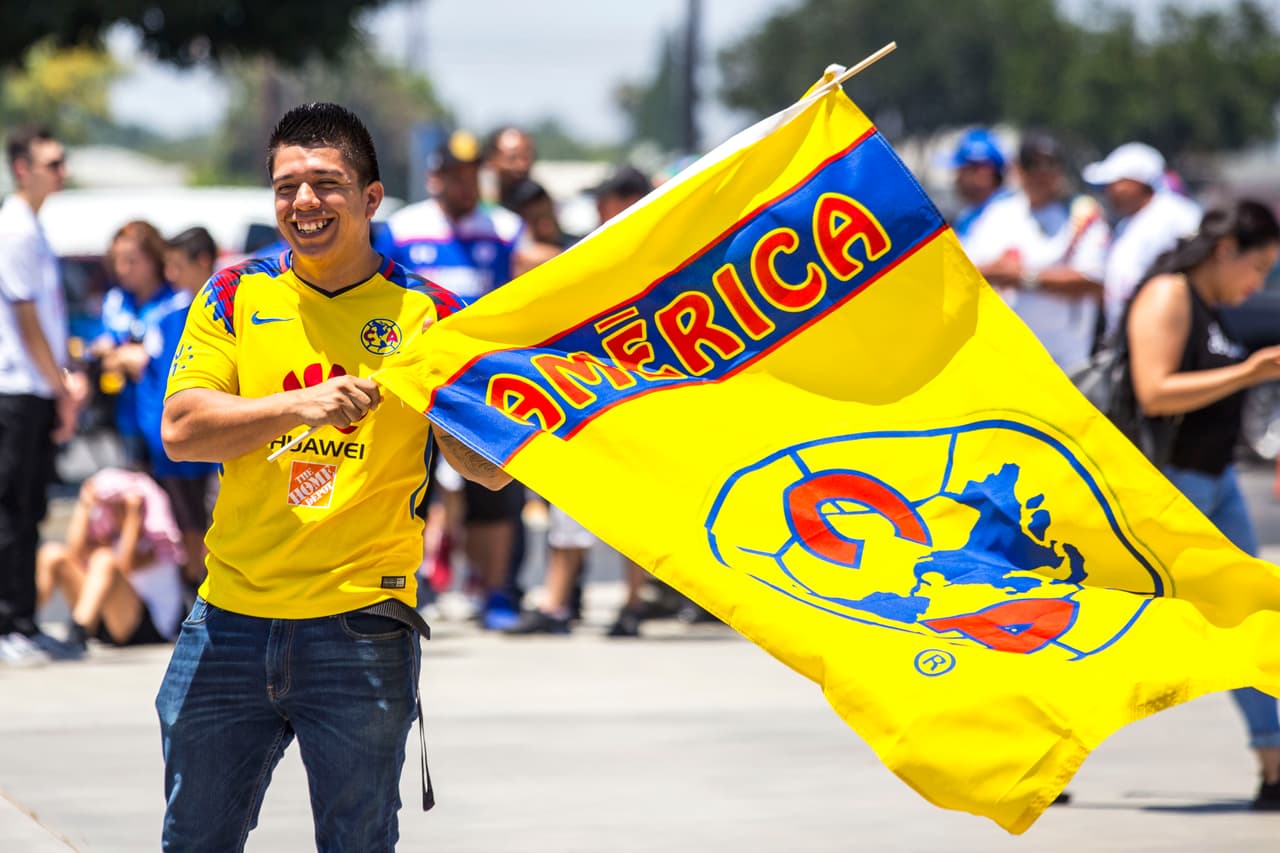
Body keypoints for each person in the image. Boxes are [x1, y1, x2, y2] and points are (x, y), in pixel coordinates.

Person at [155, 102, 510, 850]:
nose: (303, 202)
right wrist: (299, 405)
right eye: (287, 186)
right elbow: (183, 430)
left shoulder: (431, 316)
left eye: (326, 183)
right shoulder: (232, 294)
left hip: (362, 630)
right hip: (228, 621)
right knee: (192, 840)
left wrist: (452, 405)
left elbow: (488, 472)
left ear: (372, 198)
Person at [1126, 199, 1280, 810]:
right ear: (1225, 251)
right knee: (1120, 632)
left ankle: (1274, 763)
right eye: (1259, 267)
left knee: (1249, 619)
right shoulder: (1169, 294)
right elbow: (1155, 390)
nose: (1260, 283)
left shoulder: (1214, 306)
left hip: (1213, 487)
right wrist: (1250, 371)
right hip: (1171, 489)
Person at [389, 129, 549, 630]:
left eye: (470, 175)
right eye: (453, 175)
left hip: (482, 384)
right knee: (407, 488)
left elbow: (535, 276)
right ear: (434, 177)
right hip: (414, 382)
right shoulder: (403, 226)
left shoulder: (503, 226)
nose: (463, 185)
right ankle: (406, 588)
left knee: (494, 492)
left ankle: (496, 594)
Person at [0, 126, 87, 664]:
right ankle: (7, 623)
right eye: (52, 163)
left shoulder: (34, 229)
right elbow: (25, 315)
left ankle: (25, 622)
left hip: (35, 388)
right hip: (16, 388)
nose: (62, 172)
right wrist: (61, 387)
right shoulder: (15, 230)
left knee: (30, 508)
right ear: (22, 169)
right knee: (9, 511)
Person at [964, 132, 1109, 372]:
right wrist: (996, 270)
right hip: (1007, 358)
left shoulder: (1082, 214)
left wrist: (1025, 277)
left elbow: (1093, 279)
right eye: (1033, 164)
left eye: (1050, 164)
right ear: (1018, 169)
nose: (1042, 173)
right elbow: (967, 268)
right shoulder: (999, 212)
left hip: (1067, 362)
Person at [36, 467, 185, 650]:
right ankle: (22, 626)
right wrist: (84, 505)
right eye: (111, 505)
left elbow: (125, 565)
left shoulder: (158, 543)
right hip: (108, 618)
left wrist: (133, 514)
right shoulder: (111, 537)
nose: (114, 511)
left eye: (120, 505)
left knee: (104, 559)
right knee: (52, 553)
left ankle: (78, 631)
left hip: (146, 626)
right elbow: (74, 555)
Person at [92, 220, 186, 470]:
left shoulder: (175, 301)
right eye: (117, 261)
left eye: (132, 260)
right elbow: (102, 350)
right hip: (124, 419)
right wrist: (124, 356)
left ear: (154, 259)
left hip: (164, 419)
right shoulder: (116, 300)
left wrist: (125, 356)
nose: (123, 269)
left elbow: (156, 360)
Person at [1082, 142, 1201, 335]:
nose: (1107, 192)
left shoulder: (1178, 215)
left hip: (1166, 333)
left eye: (1113, 184)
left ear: (1135, 182)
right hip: (1129, 336)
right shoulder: (1127, 224)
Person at [948, 128, 1010, 251]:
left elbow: (1006, 266)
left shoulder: (1006, 214)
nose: (956, 178)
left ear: (984, 173)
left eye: (962, 170)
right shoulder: (968, 214)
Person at [484, 125, 536, 209]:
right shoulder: (473, 202)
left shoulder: (538, 203)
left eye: (526, 157)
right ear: (491, 160)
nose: (521, 166)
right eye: (512, 158)